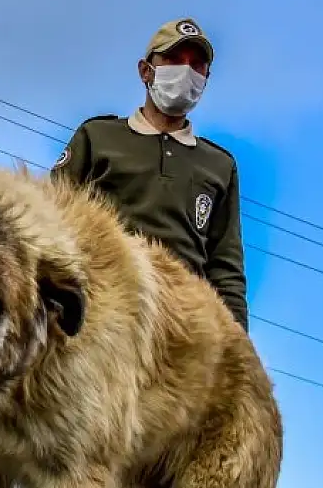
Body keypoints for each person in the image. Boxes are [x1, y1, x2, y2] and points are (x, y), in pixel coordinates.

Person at [50, 16, 249, 331]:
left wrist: (237, 345)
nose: (186, 72)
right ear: (146, 71)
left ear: (206, 79)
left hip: (183, 326)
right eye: (173, 59)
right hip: (102, 311)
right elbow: (50, 222)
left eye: (197, 65)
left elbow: (225, 268)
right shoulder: (97, 136)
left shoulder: (219, 165)